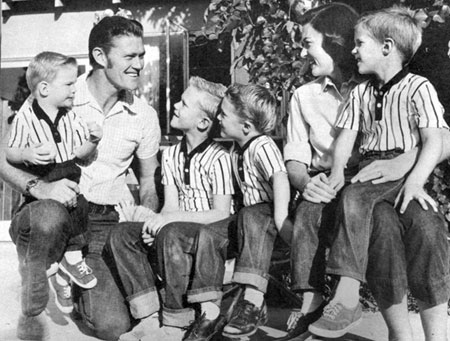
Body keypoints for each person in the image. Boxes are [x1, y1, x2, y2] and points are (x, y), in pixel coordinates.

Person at [0, 15, 161, 340]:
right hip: (48, 210)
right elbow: (3, 157)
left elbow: (147, 182)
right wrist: (41, 187)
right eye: (130, 56)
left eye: (142, 56)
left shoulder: (144, 115)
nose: (139, 65)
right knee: (48, 218)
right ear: (101, 57)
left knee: (111, 326)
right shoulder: (59, 92)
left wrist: (146, 215)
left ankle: (73, 280)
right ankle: (40, 262)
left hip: (102, 223)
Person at [309, 7, 449, 339]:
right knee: (372, 216)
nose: (353, 50)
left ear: (387, 47)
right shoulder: (360, 92)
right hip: (370, 169)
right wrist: (338, 171)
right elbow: (345, 139)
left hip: (406, 171)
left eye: (359, 43)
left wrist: (415, 180)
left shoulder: (418, 88)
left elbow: (434, 140)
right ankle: (352, 296)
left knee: (427, 226)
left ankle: (437, 336)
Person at [108, 76, 234, 341]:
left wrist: (169, 221)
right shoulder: (171, 155)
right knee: (122, 234)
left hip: (207, 237)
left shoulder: (219, 158)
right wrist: (154, 224)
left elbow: (222, 213)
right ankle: (149, 317)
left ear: (203, 123)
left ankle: (176, 323)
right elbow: (170, 206)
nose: (176, 105)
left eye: (184, 104)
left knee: (171, 232)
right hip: (173, 232)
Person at [280, 3, 362, 340]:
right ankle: (311, 302)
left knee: (352, 202)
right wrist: (305, 183)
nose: (302, 52)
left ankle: (347, 298)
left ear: (335, 43)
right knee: (309, 209)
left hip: (362, 180)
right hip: (323, 180)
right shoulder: (303, 96)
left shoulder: (370, 90)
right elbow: (295, 158)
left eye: (308, 44)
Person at [6, 51, 102, 316]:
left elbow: (82, 153)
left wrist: (93, 139)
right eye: (69, 84)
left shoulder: (70, 116)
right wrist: (26, 154)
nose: (75, 89)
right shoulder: (26, 117)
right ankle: (46, 266)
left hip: (69, 177)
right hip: (44, 183)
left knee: (80, 209)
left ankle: (70, 260)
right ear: (45, 88)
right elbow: (10, 153)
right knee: (50, 218)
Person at [196, 83, 290, 339]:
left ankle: (253, 299)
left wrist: (282, 218)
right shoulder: (236, 149)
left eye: (224, 114)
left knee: (251, 215)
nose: (218, 118)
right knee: (209, 233)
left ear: (246, 126)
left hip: (268, 217)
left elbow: (279, 178)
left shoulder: (262, 145)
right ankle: (209, 309)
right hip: (247, 219)